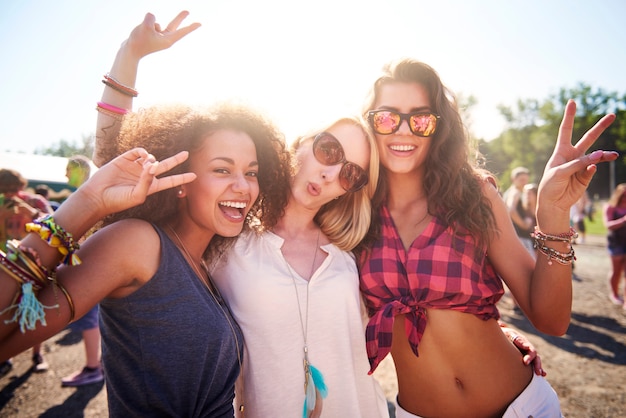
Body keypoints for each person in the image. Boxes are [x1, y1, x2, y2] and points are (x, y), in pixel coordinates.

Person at [93, 12, 546, 418]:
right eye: (328, 150)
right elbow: (121, 172)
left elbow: (439, 292)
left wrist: (506, 338)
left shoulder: (353, 250)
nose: (331, 173)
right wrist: (127, 60)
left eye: (350, 173)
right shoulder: (228, 237)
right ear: (302, 141)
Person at [357, 58, 617, 418]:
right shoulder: (354, 215)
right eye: (386, 117)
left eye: (421, 118)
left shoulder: (474, 195)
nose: (404, 130)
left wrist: (552, 214)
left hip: (523, 407)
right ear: (369, 124)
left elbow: (551, 320)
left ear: (438, 127)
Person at [0, 100, 292, 417]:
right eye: (222, 169)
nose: (243, 186)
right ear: (181, 180)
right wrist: (88, 201)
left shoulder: (208, 264)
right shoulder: (138, 243)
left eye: (251, 172)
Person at [54, 155, 105, 387]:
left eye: (68, 169)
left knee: (88, 319)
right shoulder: (90, 194)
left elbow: (83, 235)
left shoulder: (86, 197)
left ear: (80, 170)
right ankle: (98, 364)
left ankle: (92, 368)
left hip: (86, 268)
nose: (65, 175)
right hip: (90, 266)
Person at [0, 168, 54, 374]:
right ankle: (5, 355)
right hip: (5, 265)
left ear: (21, 186)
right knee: (4, 308)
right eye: (4, 190)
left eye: (13, 189)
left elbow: (56, 224)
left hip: (34, 265)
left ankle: (37, 353)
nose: (9, 195)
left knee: (34, 308)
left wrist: (29, 213)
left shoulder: (35, 201)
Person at [603, 183, 626, 308]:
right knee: (616, 271)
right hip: (615, 242)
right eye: (623, 196)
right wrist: (623, 220)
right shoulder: (610, 207)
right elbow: (608, 225)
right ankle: (615, 294)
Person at [503, 166, 535, 254]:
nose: (524, 183)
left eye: (526, 180)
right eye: (521, 180)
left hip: (516, 235)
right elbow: (510, 210)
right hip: (520, 236)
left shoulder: (510, 192)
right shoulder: (515, 192)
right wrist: (524, 225)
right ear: (513, 179)